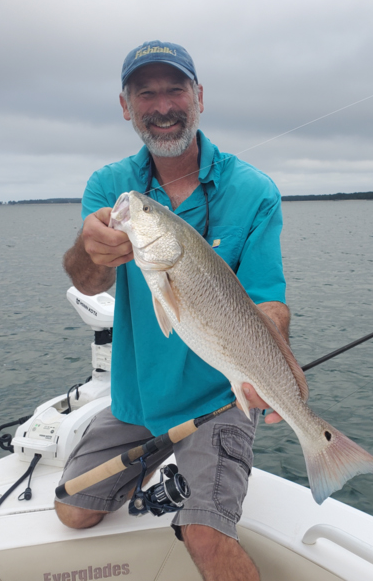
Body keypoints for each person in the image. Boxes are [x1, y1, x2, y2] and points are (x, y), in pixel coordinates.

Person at [56, 40, 289, 581]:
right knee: (74, 511)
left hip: (217, 396)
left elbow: (269, 301)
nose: (162, 105)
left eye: (174, 89)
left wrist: (276, 365)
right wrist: (88, 252)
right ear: (125, 106)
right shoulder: (112, 187)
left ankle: (195, 487)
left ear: (199, 96)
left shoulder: (253, 191)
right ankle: (169, 470)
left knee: (206, 536)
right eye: (146, 93)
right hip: (135, 396)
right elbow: (86, 277)